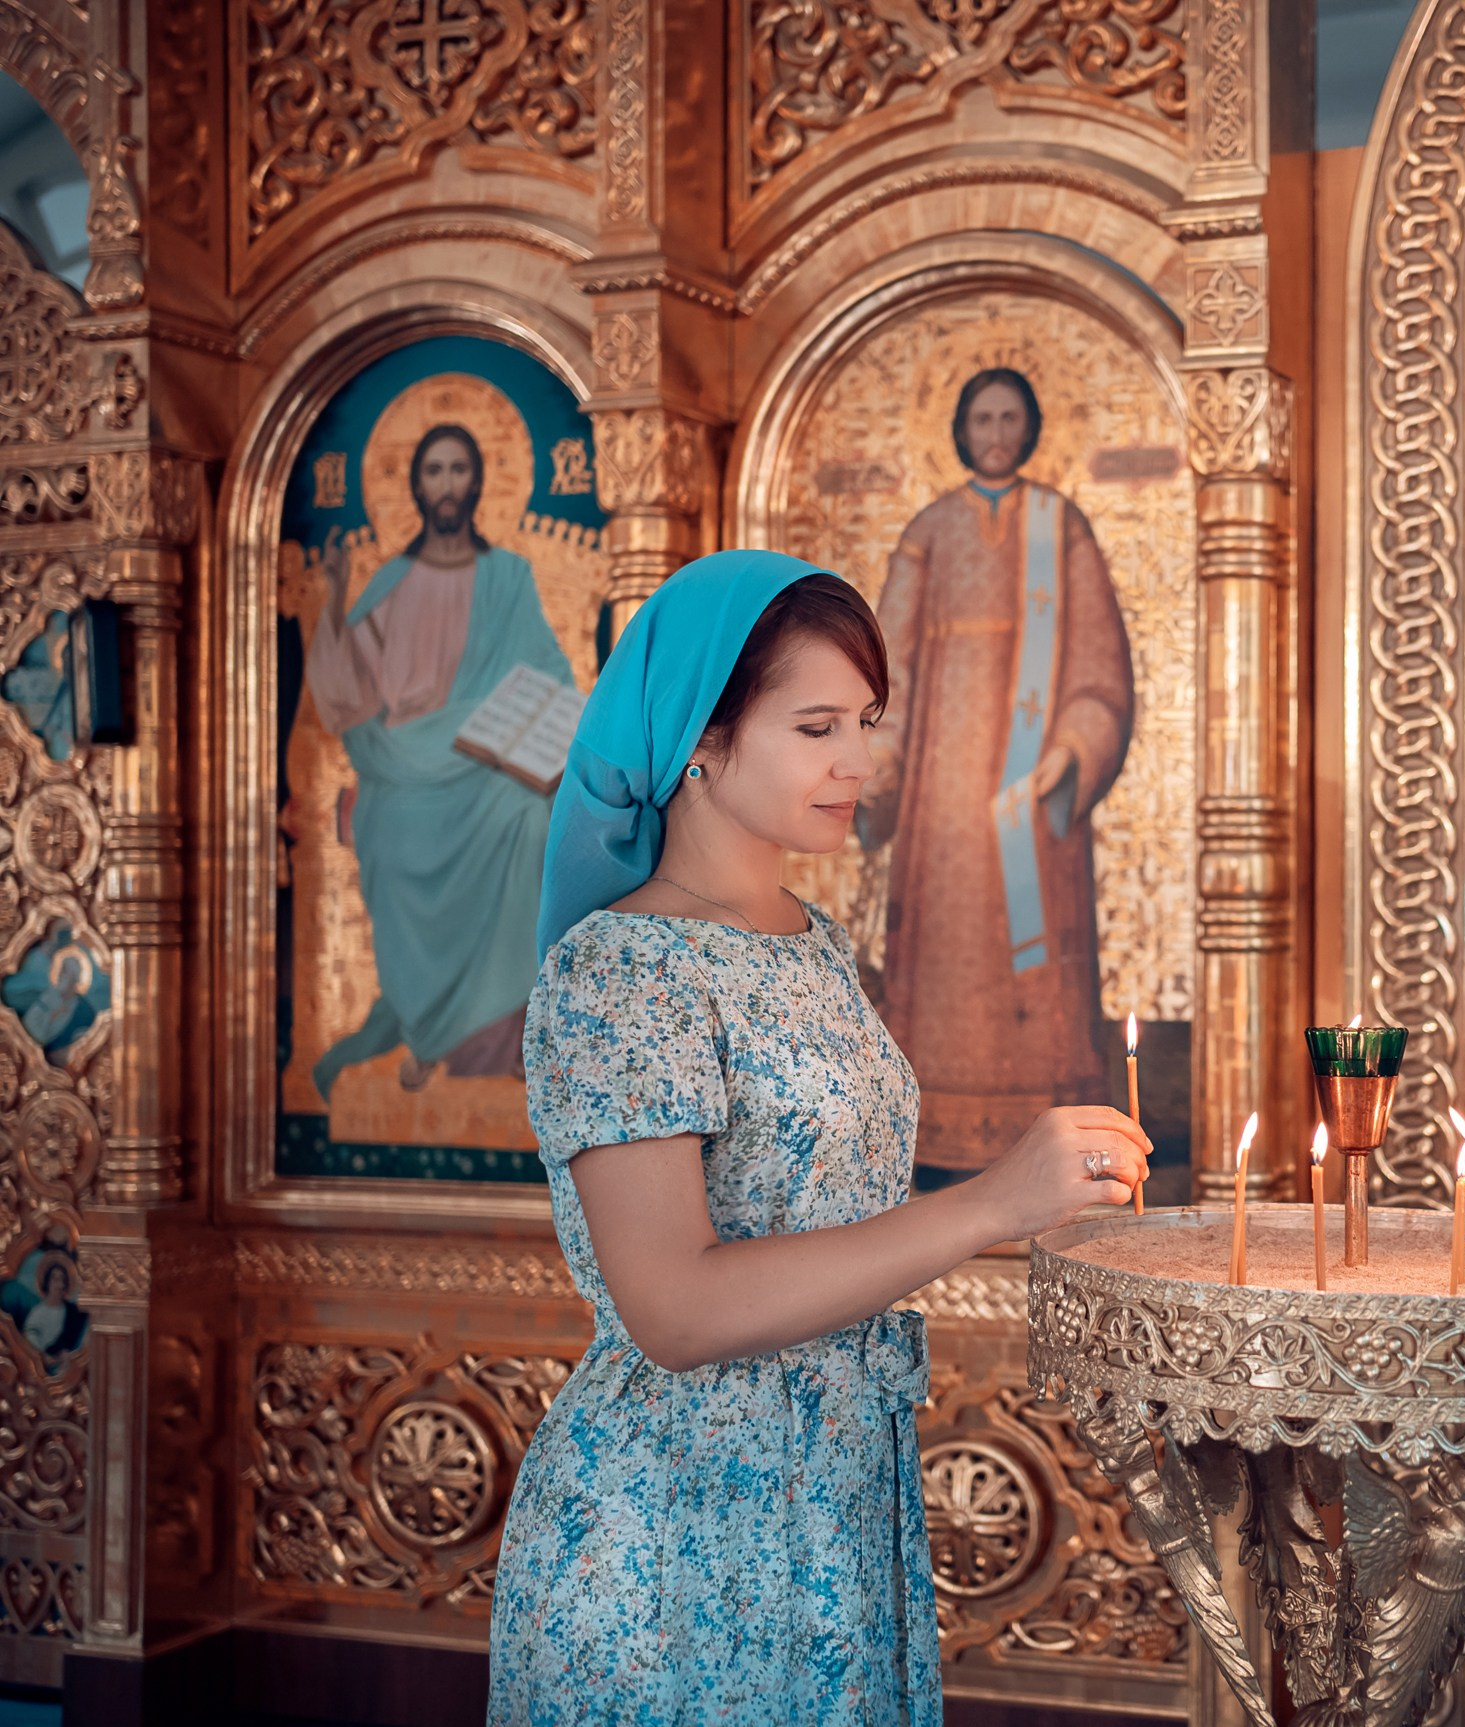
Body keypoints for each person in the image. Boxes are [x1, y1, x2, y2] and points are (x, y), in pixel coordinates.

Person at [490, 551, 1150, 1725]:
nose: (860, 759)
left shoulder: (814, 941)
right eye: (815, 727)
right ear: (701, 736)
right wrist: (990, 1202)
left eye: (866, 720)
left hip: (839, 1508)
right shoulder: (621, 969)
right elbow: (674, 1309)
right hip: (676, 1540)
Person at [862, 368, 1135, 1179]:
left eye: (1010, 416)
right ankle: (931, 1137)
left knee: (1033, 957)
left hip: (1031, 795)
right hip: (940, 790)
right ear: (960, 427)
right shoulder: (930, 529)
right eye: (982, 417)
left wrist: (1076, 743)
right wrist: (877, 764)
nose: (995, 432)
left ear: (1031, 425)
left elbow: (1099, 660)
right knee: (943, 945)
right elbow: (889, 664)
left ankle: (1043, 1138)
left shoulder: (1061, 526)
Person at [304, 424, 574, 1095]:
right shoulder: (392, 582)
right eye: (434, 471)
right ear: (417, 487)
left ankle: (513, 1035)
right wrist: (333, 598)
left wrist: (505, 721)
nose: (447, 484)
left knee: (534, 825)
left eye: (458, 469)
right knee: (389, 832)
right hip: (404, 769)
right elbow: (344, 693)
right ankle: (429, 1030)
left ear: (477, 482)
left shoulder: (508, 577)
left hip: (490, 765)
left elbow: (548, 674)